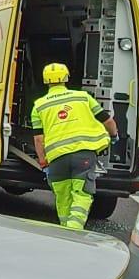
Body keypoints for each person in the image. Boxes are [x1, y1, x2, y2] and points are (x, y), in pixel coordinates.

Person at [30, 63, 116, 232]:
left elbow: (39, 139)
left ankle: (65, 233)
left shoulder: (39, 106)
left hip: (56, 159)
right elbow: (108, 121)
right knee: (82, 194)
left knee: (63, 199)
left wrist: (43, 161)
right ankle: (74, 231)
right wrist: (113, 136)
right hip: (83, 156)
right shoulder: (83, 97)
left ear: (45, 81)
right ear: (66, 77)